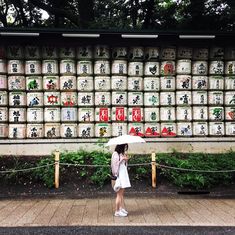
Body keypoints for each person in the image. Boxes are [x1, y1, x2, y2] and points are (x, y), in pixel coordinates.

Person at [111, 143, 131, 217]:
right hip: (119, 175)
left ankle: (121, 208)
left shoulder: (121, 154)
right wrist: (122, 159)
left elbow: (124, 164)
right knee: (119, 194)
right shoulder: (115, 154)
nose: (125, 149)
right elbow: (114, 165)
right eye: (125, 147)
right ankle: (117, 211)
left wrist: (125, 160)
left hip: (123, 174)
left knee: (121, 194)